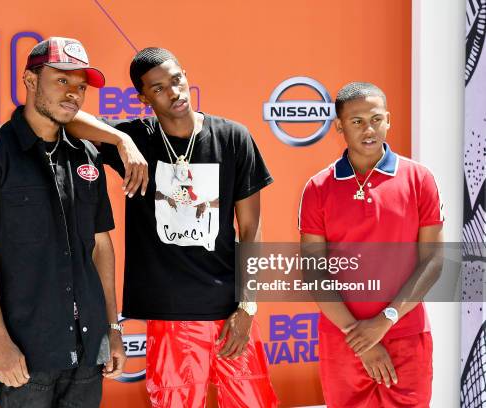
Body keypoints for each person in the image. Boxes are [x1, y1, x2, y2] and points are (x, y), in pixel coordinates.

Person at [65, 47, 279, 408]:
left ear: (186, 75)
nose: (174, 92)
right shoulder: (138, 139)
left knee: (253, 401)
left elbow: (251, 228)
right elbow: (67, 120)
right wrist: (122, 140)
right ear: (143, 97)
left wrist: (249, 306)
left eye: (177, 80)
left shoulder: (233, 137)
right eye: (159, 88)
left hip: (231, 311)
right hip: (170, 313)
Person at [0, 37, 127, 408]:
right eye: (61, 81)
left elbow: (102, 246)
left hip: (89, 348)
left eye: (80, 86)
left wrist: (112, 328)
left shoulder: (89, 156)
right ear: (30, 80)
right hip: (27, 356)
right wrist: (0, 342)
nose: (73, 94)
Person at [298, 82, 444, 407]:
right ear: (339, 126)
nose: (369, 129)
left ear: (388, 120)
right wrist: (360, 337)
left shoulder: (420, 179)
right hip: (343, 339)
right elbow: (313, 270)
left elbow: (433, 262)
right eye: (357, 121)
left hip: (406, 335)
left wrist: (386, 320)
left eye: (376, 119)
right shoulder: (318, 188)